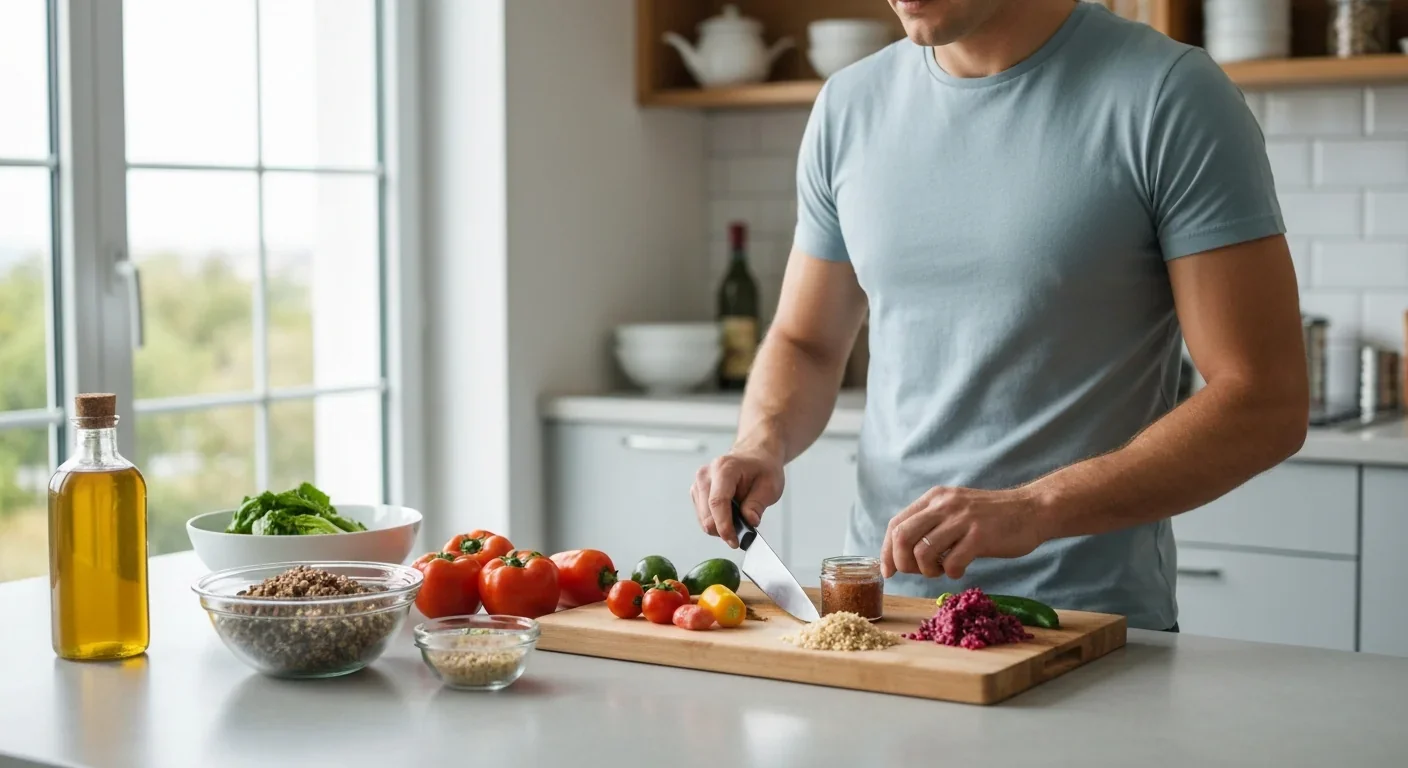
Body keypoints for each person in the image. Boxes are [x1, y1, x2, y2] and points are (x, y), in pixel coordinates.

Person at [687, 0, 1308, 631]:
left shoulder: (1169, 95)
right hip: (885, 618)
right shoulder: (849, 106)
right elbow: (807, 341)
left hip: (1084, 625)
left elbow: (1264, 401)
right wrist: (761, 442)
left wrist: (1033, 507)